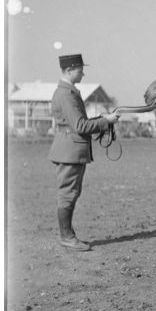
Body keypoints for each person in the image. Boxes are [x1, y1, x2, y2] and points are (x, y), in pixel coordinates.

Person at [48, 54, 120, 251]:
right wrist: (107, 122)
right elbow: (80, 125)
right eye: (80, 69)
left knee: (71, 192)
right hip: (69, 151)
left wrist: (103, 118)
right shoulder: (66, 94)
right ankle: (67, 237)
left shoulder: (68, 92)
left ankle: (67, 235)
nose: (83, 73)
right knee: (68, 193)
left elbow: (79, 122)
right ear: (70, 70)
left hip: (70, 149)